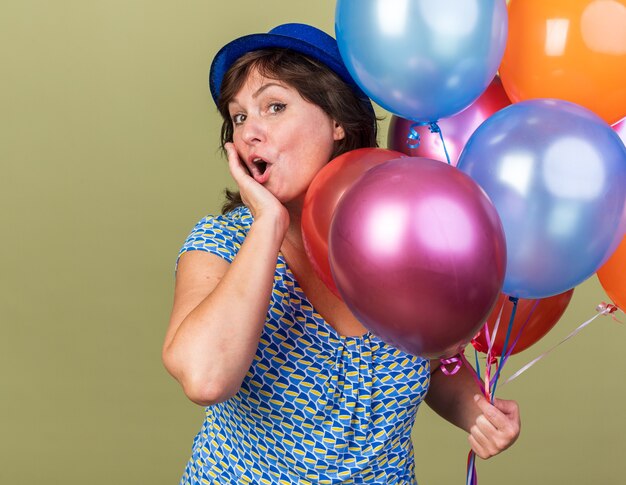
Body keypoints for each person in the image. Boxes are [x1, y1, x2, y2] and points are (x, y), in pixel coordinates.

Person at [162, 23, 521, 485]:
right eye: (239, 117)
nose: (250, 131)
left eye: (274, 106)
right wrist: (269, 224)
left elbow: (430, 361)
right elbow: (206, 378)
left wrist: (477, 413)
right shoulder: (221, 246)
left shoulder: (403, 237)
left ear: (338, 122)